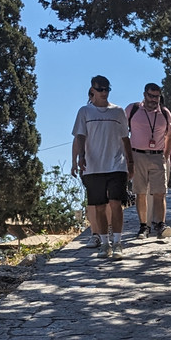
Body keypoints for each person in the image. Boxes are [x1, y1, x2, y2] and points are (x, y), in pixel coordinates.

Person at [71, 75, 134, 258]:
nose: (104, 92)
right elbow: (80, 136)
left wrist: (131, 162)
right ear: (93, 90)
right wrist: (78, 158)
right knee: (99, 206)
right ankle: (104, 244)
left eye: (107, 89)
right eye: (100, 89)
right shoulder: (84, 112)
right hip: (93, 165)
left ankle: (118, 242)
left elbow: (125, 138)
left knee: (116, 203)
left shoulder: (118, 111)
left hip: (116, 164)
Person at [124, 83, 171, 240]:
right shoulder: (133, 109)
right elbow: (123, 133)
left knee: (160, 192)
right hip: (137, 155)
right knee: (140, 192)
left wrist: (166, 155)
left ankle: (161, 224)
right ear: (144, 94)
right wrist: (127, 157)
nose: (153, 100)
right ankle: (144, 226)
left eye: (157, 97)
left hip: (157, 156)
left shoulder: (165, 113)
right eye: (151, 96)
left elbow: (170, 135)